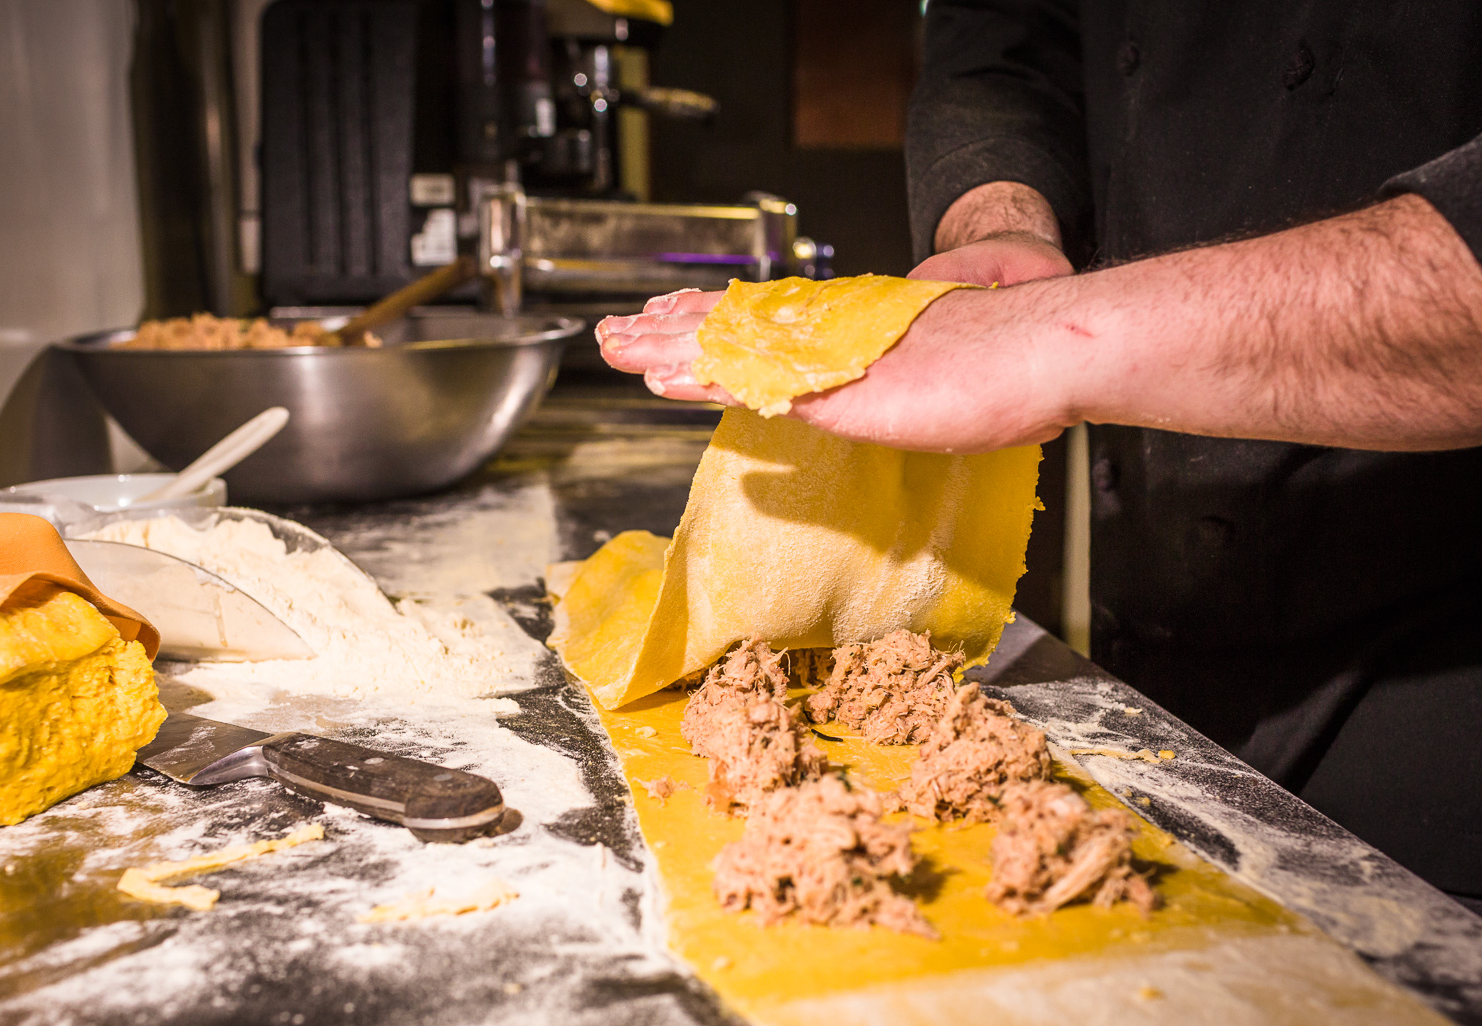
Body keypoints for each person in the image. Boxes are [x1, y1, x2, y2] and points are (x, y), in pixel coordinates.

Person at [594, 5, 1482, 908]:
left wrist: (1047, 341)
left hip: (1446, 706)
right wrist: (999, 216)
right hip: (1167, 654)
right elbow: (1006, 40)